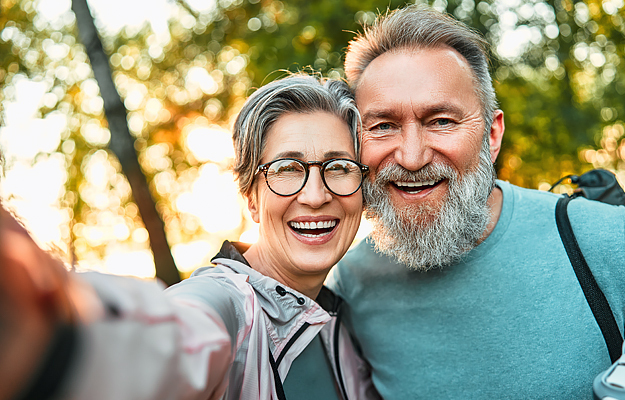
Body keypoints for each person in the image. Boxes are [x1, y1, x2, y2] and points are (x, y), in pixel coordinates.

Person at [0, 74, 379, 400]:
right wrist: (55, 329)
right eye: (286, 169)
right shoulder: (229, 306)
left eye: (340, 167)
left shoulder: (345, 321)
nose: (315, 195)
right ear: (251, 197)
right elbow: (174, 339)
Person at [328, 5, 625, 399]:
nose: (411, 157)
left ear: (492, 134)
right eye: (383, 126)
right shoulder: (351, 283)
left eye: (441, 121)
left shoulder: (606, 241)